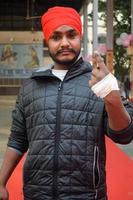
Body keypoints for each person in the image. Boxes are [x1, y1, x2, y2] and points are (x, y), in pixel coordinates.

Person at [0, 6, 133, 200]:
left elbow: (125, 135)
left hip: (87, 195)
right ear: (47, 40)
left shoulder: (99, 80)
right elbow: (18, 140)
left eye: (71, 35)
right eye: (56, 37)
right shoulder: (31, 85)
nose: (64, 43)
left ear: (80, 37)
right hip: (37, 193)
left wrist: (110, 94)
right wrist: (2, 182)